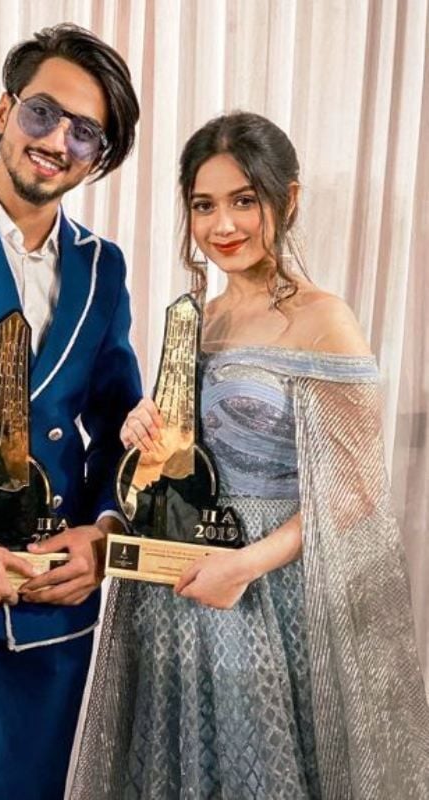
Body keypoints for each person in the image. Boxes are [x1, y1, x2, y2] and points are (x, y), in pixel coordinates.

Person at [71, 112, 429, 799]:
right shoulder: (200, 317)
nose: (223, 224)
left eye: (245, 200)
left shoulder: (325, 319)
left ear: (287, 200)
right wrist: (147, 430)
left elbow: (355, 491)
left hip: (268, 590)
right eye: (204, 205)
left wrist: (246, 566)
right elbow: (188, 463)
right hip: (181, 585)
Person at [0, 23, 141, 800]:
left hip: (56, 593)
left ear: (100, 156)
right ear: (2, 109)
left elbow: (126, 419)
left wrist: (106, 535)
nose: (57, 141)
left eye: (86, 132)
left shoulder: (102, 266)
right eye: (43, 112)